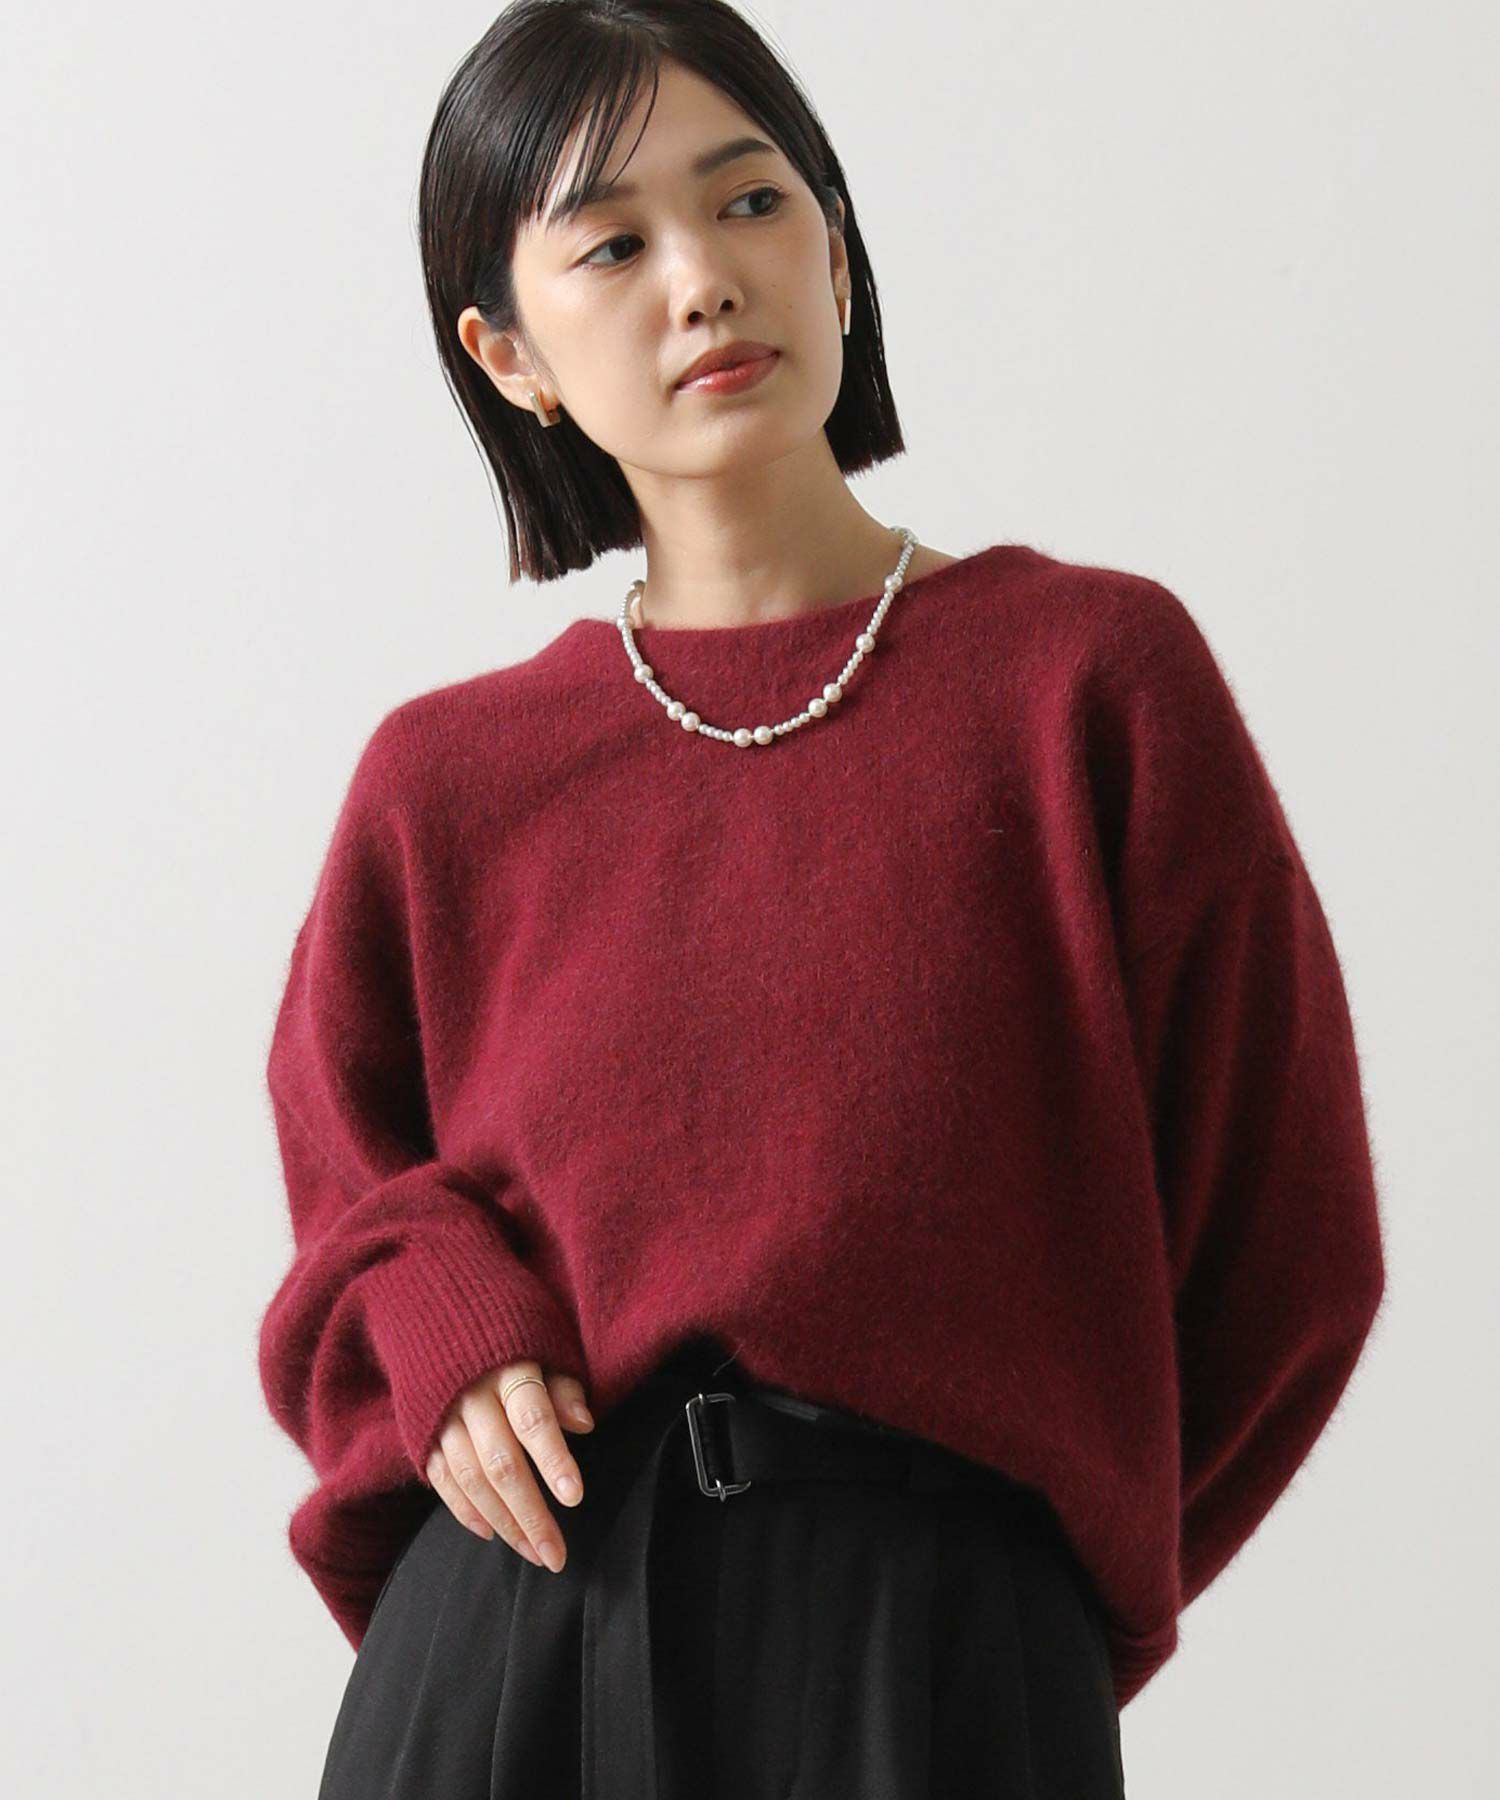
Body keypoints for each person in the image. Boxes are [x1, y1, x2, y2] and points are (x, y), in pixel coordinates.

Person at [256, 3, 1388, 1795]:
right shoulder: (443, 781)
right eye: (611, 245)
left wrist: (1024, 1591)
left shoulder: (1089, 681)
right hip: (520, 1651)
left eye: (752, 203)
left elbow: (1289, 1247)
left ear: (838, 254)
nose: (703, 280)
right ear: (509, 354)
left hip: (935, 1665)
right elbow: (352, 1206)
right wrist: (443, 1323)